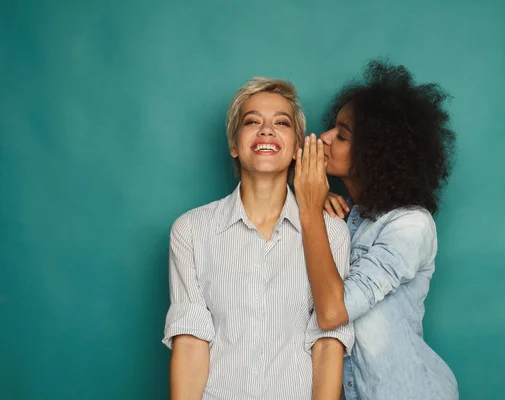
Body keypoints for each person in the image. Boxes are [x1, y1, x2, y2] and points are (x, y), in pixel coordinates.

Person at [162, 77, 354, 400]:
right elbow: (191, 344)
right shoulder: (191, 231)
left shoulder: (331, 232)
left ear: (296, 148)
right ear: (234, 145)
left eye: (281, 122)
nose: (266, 130)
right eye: (252, 122)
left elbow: (327, 344)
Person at [293, 60, 459, 400]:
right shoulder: (345, 218)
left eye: (341, 136)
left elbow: (333, 312)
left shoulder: (411, 225)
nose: (323, 139)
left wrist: (310, 205)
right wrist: (314, 197)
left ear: (374, 154)